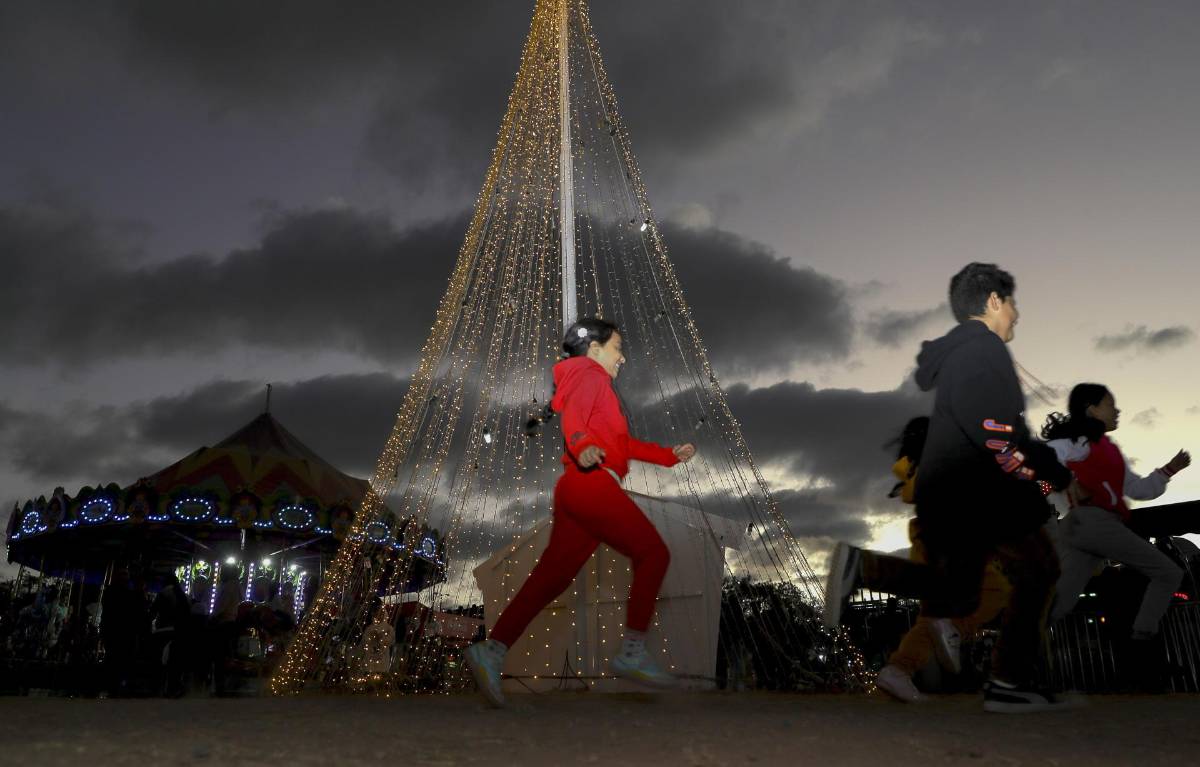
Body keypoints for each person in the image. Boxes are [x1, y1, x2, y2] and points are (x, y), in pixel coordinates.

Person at [824, 262, 1079, 713]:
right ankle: (1007, 684)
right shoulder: (984, 351)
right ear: (994, 302)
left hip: (963, 490)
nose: (1017, 314)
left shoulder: (968, 353)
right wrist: (1049, 471)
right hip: (977, 489)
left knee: (970, 588)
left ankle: (865, 572)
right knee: (1033, 573)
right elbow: (995, 430)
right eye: (1012, 303)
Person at [465, 318, 697, 707]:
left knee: (550, 580)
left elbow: (622, 443)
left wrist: (667, 456)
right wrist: (582, 443)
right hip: (590, 484)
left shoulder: (588, 381)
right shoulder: (589, 377)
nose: (622, 357)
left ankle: (492, 650)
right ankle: (632, 651)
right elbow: (573, 419)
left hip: (576, 489)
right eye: (617, 347)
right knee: (654, 553)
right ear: (594, 349)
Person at [1042, 384, 1190, 683]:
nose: (1117, 410)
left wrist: (1169, 470)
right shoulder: (1080, 443)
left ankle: (1013, 646)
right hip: (1095, 522)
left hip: (1080, 528)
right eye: (1110, 404)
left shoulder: (1110, 452)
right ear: (1092, 410)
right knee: (1168, 573)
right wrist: (1067, 479)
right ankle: (1143, 642)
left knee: (1060, 604)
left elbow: (1137, 489)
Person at [874, 417, 1014, 703]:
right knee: (995, 591)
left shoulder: (918, 469)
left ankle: (898, 670)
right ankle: (952, 627)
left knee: (932, 617)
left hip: (929, 542)